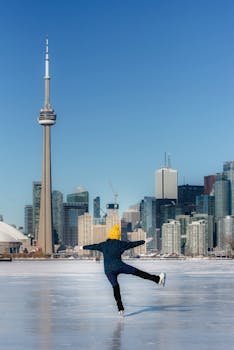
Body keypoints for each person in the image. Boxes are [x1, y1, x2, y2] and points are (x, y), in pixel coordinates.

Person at [82, 224, 166, 315]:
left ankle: (120, 308)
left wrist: (82, 247)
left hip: (108, 271)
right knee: (138, 272)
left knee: (115, 287)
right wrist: (144, 241)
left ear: (110, 235)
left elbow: (93, 246)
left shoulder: (104, 245)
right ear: (118, 235)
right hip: (119, 266)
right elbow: (132, 244)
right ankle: (157, 279)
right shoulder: (120, 244)